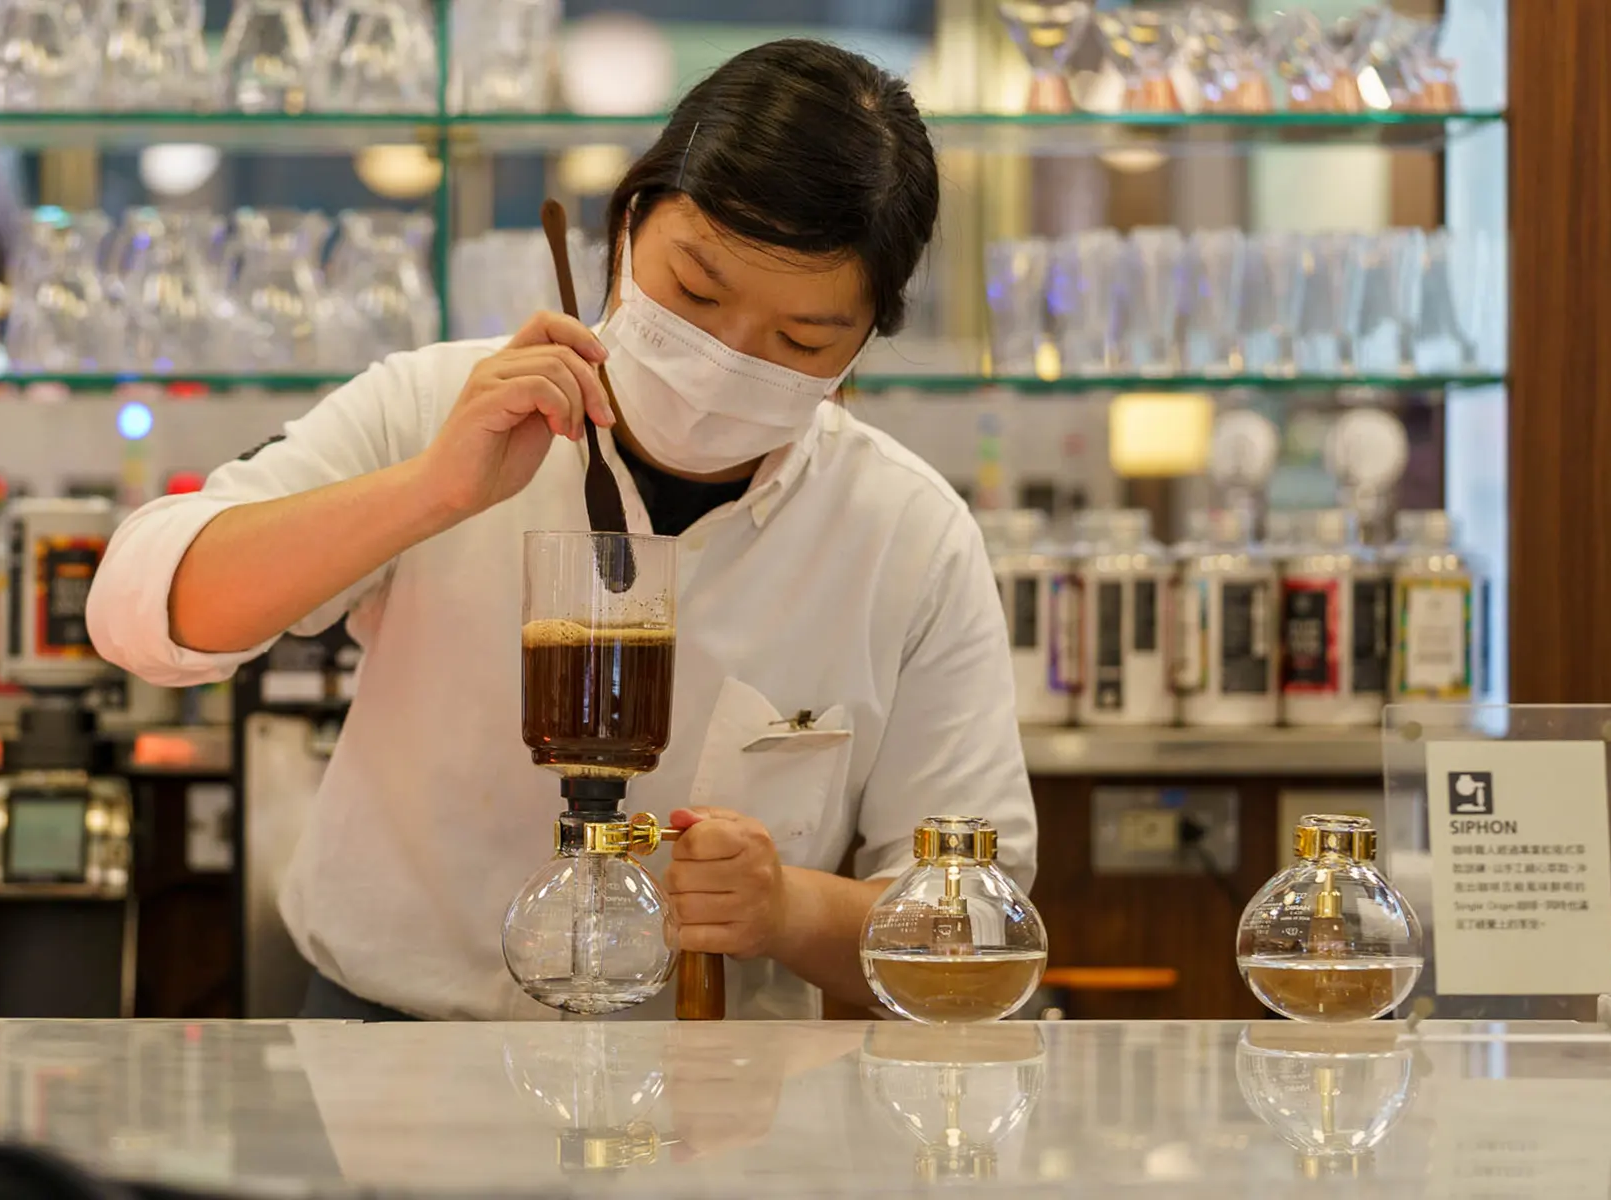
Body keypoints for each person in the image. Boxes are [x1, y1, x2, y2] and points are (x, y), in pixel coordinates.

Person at [87, 39, 1036, 1021]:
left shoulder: (905, 538)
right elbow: (141, 614)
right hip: (389, 1059)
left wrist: (786, 910)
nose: (724, 358)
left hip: (716, 1108)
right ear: (626, 225)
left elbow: (979, 947)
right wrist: (430, 491)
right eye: (696, 294)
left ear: (861, 347)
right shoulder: (431, 406)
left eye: (799, 341)